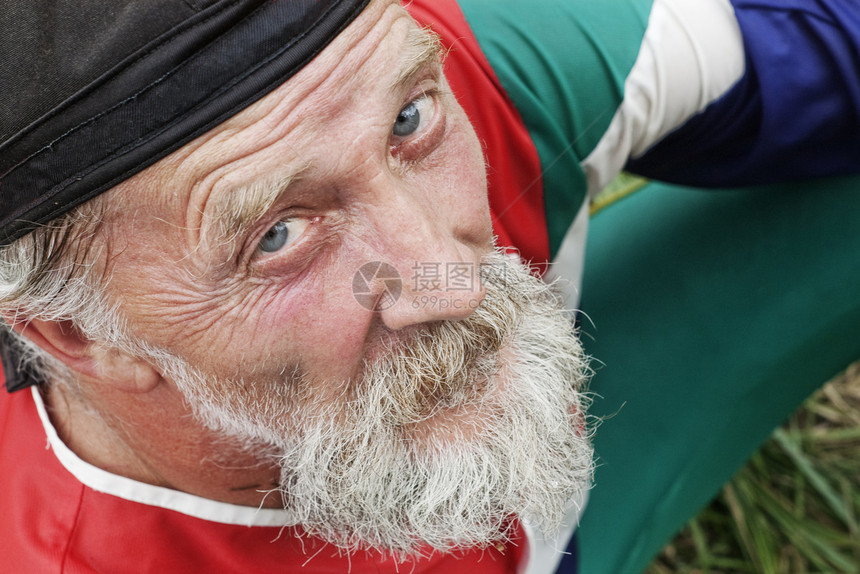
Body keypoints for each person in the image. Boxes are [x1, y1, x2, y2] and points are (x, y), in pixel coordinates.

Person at [1, 0, 858, 573]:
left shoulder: (491, 66)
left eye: (409, 121)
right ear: (79, 336)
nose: (445, 281)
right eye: (278, 235)